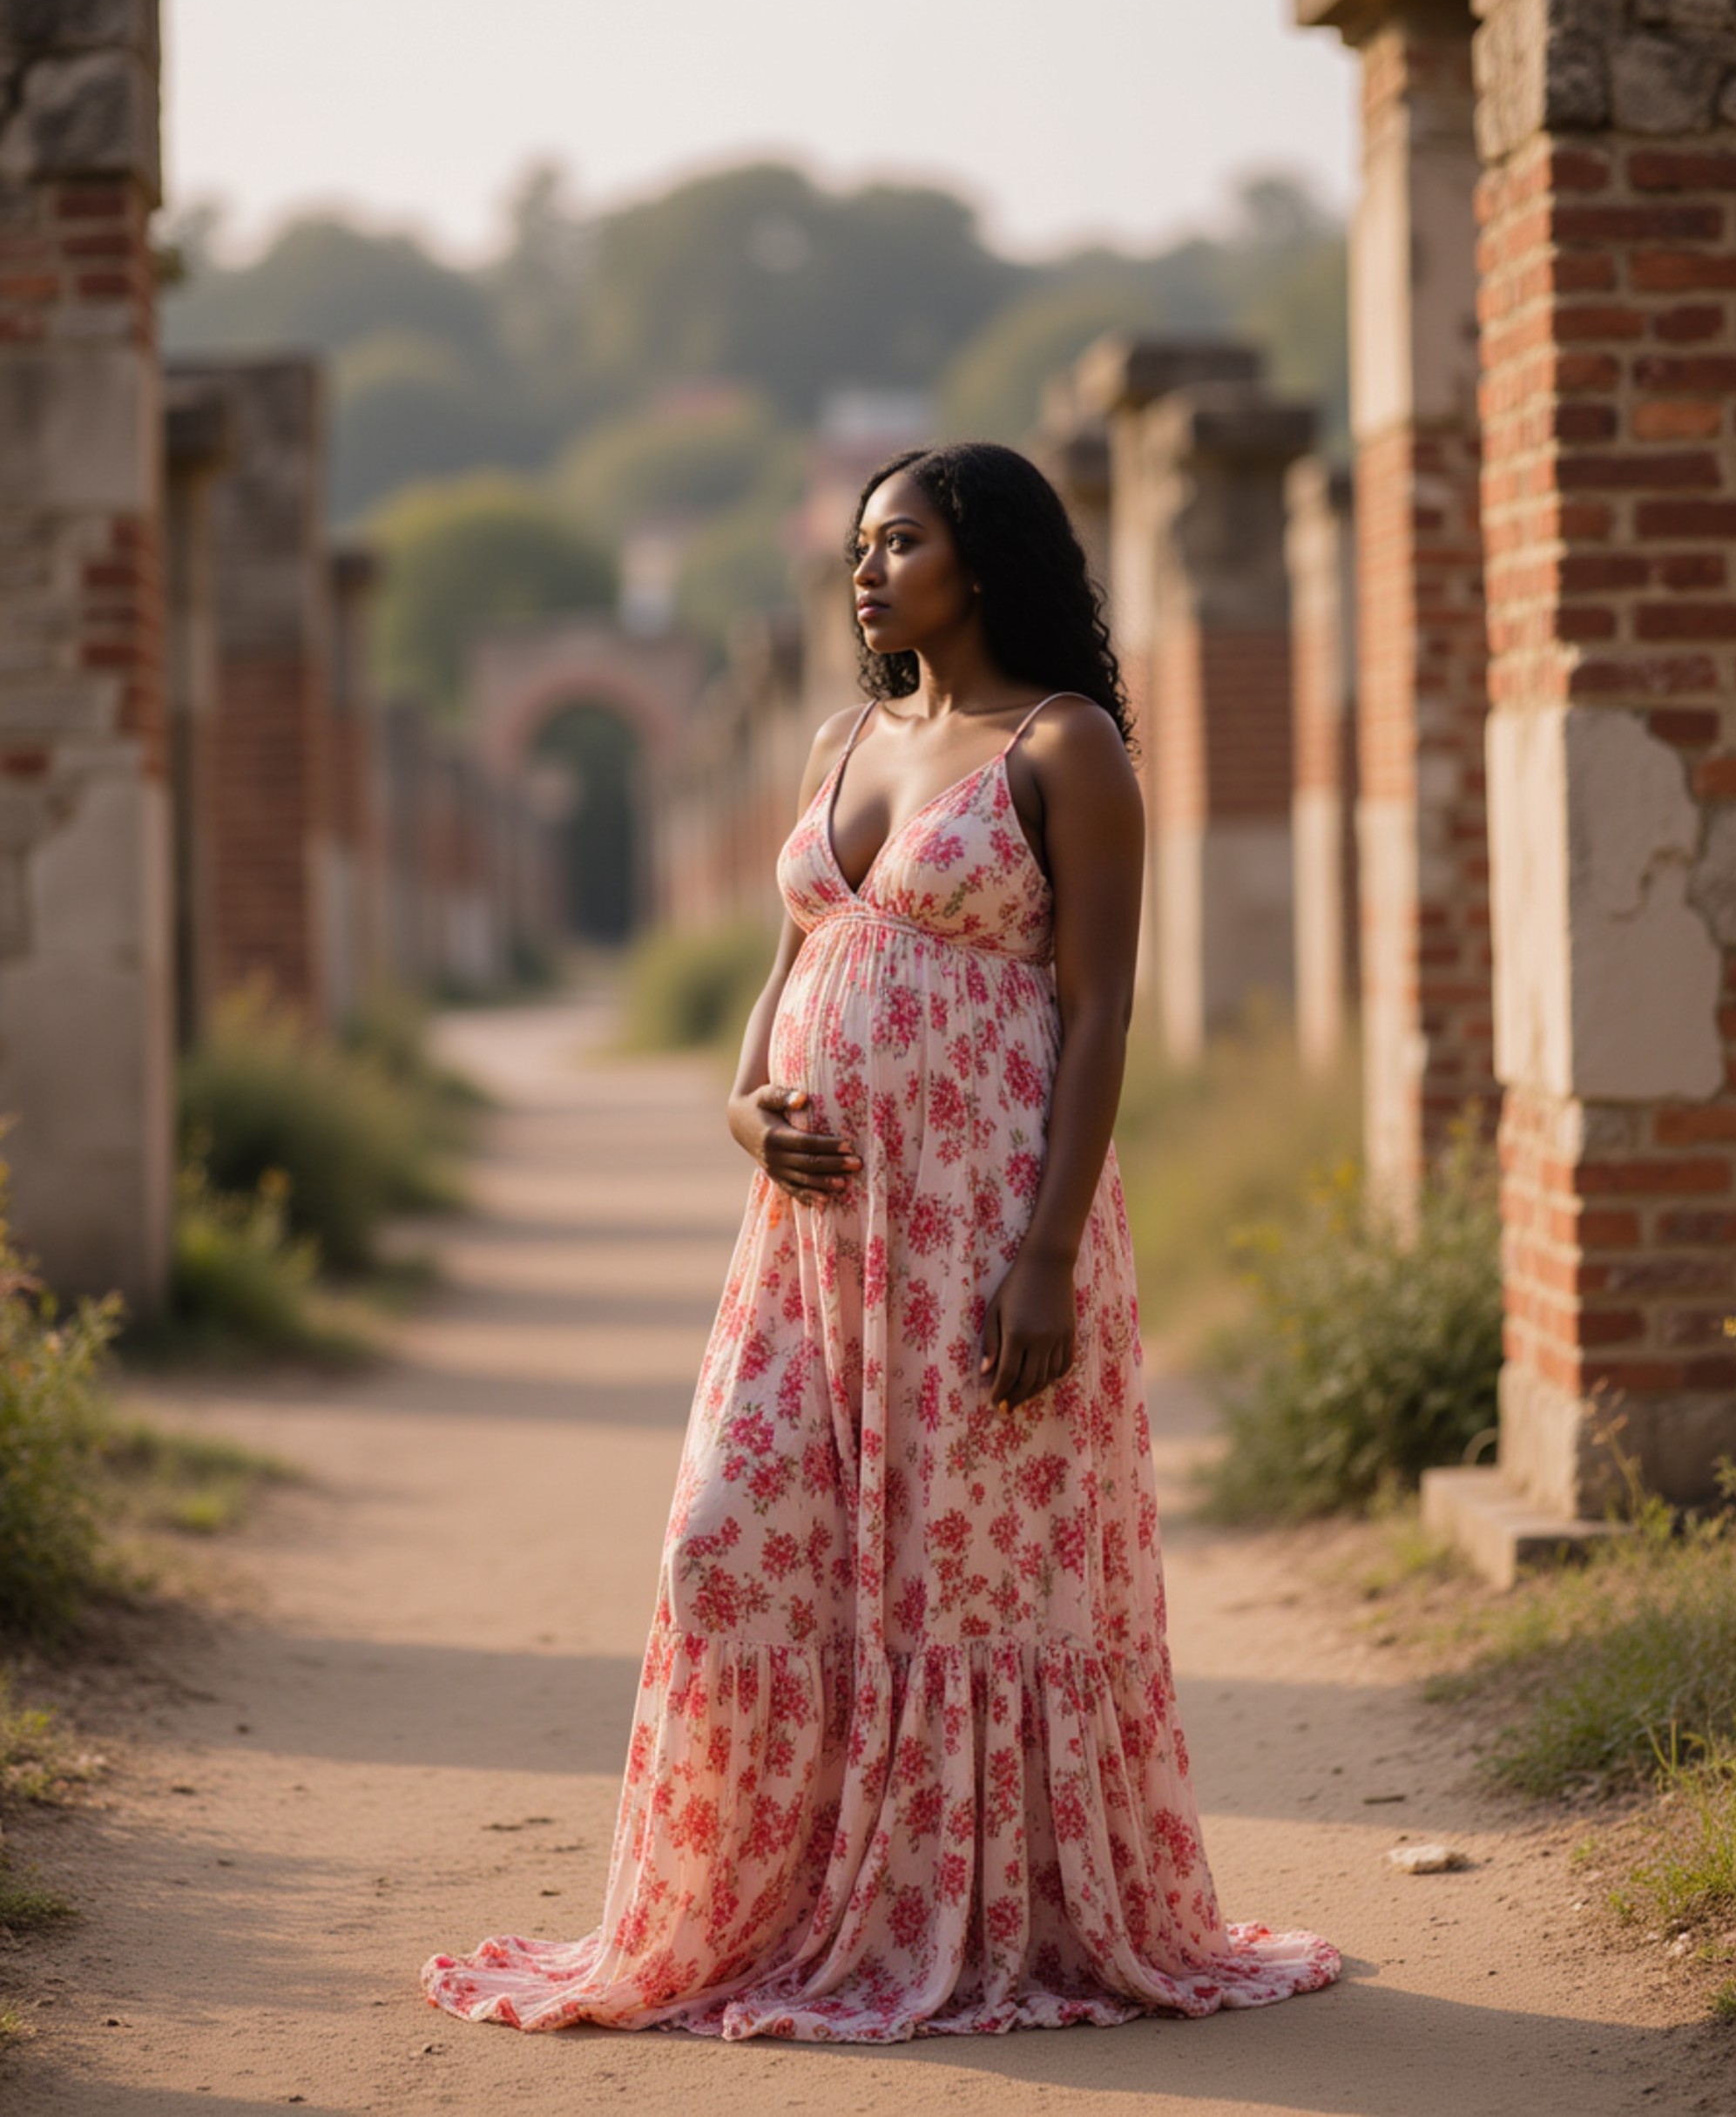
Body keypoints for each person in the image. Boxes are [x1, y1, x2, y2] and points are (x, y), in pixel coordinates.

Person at [422, 441, 1339, 2041]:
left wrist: (1047, 1252)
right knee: (728, 1542)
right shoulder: (844, 739)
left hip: (983, 1226)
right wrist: (738, 1109)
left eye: (897, 541)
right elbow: (788, 974)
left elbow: (1101, 1006)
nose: (866, 570)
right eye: (857, 545)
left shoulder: (1068, 748)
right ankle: (772, 1899)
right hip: (811, 1241)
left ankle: (969, 1915)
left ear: (979, 561)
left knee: (959, 1586)